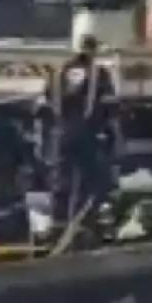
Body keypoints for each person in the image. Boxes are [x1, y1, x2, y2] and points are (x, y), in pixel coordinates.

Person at [42, 34, 116, 235]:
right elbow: (109, 104)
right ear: (93, 50)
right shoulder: (99, 74)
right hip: (87, 132)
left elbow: (48, 98)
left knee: (61, 177)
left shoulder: (59, 72)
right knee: (85, 179)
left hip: (61, 131)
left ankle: (58, 223)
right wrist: (108, 131)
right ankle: (81, 225)